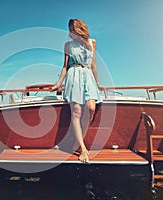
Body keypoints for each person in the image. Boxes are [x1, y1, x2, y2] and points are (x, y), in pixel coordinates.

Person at [51, 19, 102, 163]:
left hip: (88, 75)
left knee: (91, 108)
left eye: (73, 29)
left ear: (80, 29)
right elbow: (65, 67)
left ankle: (78, 142)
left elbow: (93, 65)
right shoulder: (68, 45)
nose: (70, 32)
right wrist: (59, 84)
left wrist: (97, 83)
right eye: (70, 29)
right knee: (77, 111)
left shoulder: (92, 42)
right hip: (74, 76)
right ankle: (83, 148)